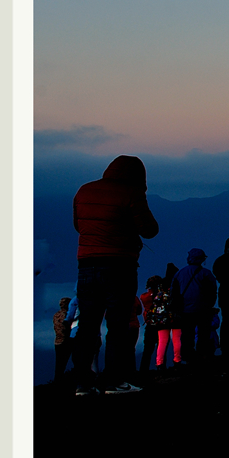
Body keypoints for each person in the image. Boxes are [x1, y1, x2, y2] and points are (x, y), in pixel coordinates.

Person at [72, 154, 158, 395]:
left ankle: (83, 383)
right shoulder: (131, 192)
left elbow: (79, 226)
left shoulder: (84, 191)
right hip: (119, 266)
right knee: (118, 325)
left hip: (86, 265)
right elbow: (150, 230)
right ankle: (113, 381)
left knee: (87, 326)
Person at [174, 248, 218, 364]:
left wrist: (177, 308)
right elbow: (213, 290)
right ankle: (202, 355)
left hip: (185, 310)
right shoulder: (206, 273)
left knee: (187, 335)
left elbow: (174, 292)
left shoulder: (179, 273)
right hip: (203, 309)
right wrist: (210, 304)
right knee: (204, 334)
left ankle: (188, 356)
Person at [142, 275, 183, 369]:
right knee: (177, 339)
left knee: (162, 342)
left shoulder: (156, 295)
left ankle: (159, 363)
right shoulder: (175, 293)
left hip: (160, 320)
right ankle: (177, 360)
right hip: (175, 319)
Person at [52, 296, 72, 385]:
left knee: (59, 364)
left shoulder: (56, 315)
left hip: (57, 341)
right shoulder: (68, 315)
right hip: (66, 341)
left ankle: (57, 382)